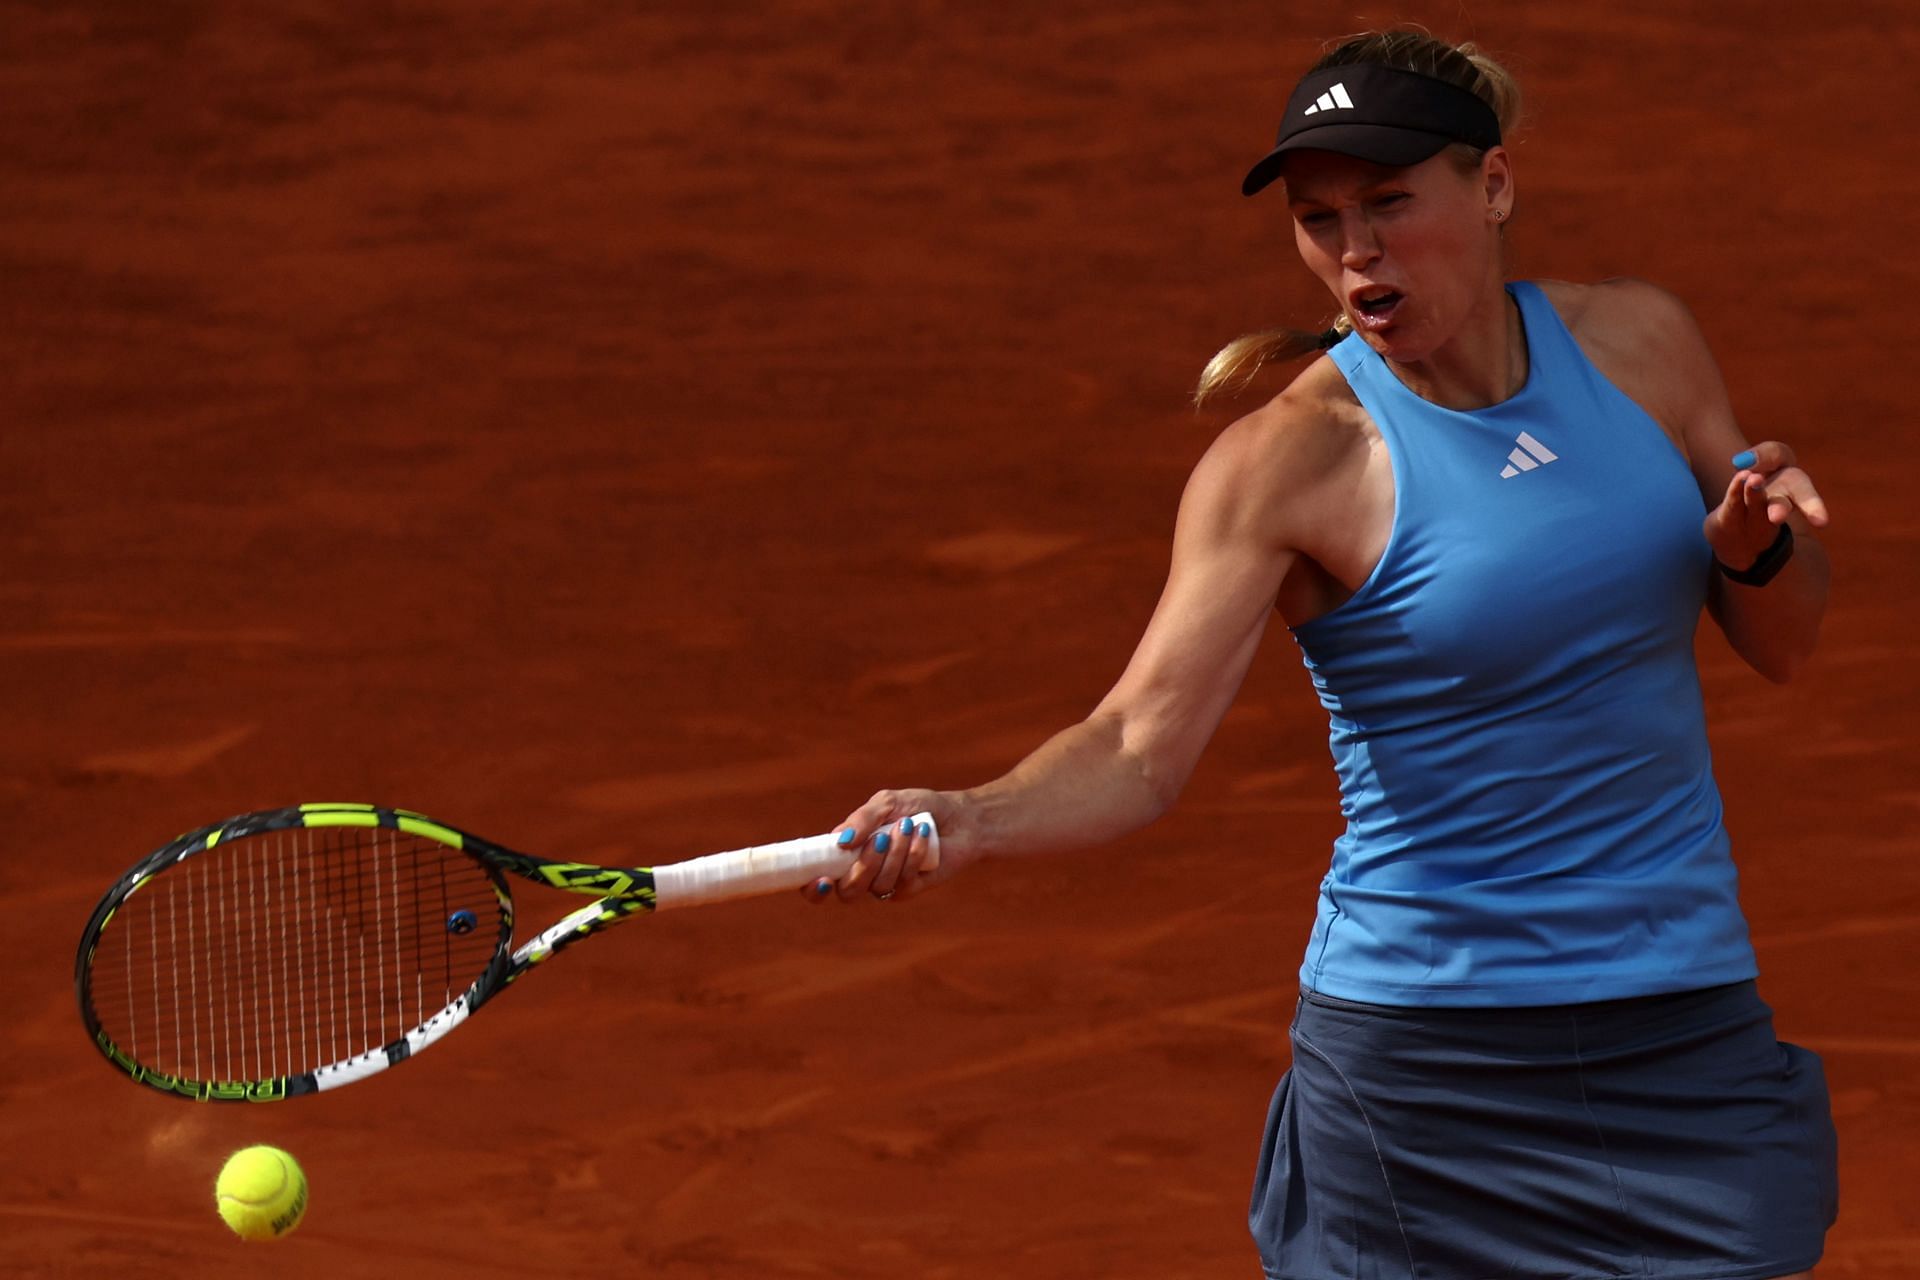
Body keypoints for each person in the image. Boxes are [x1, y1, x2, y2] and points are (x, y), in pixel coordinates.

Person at [806, 29, 1839, 1280]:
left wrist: (1753, 546)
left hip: (1681, 1026)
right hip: (1429, 1072)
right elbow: (1136, 743)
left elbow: (1779, 643)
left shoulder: (1641, 348)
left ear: (1495, 184)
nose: (1356, 251)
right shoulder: (1293, 461)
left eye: (1391, 204)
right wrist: (971, 815)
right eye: (1319, 218)